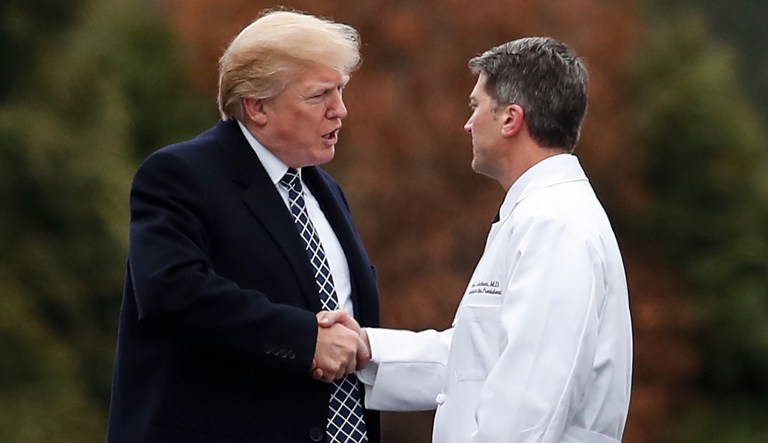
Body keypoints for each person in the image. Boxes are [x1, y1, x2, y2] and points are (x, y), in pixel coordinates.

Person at [320, 36, 633, 442]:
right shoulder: (540, 214)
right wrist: (367, 348)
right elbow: (476, 359)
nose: (468, 123)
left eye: (476, 106)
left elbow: (531, 402)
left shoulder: (555, 223)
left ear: (510, 119)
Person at [106, 10, 380, 443]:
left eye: (341, 90)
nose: (340, 110)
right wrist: (303, 338)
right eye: (319, 95)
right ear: (257, 107)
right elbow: (171, 290)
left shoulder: (325, 190)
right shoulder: (181, 175)